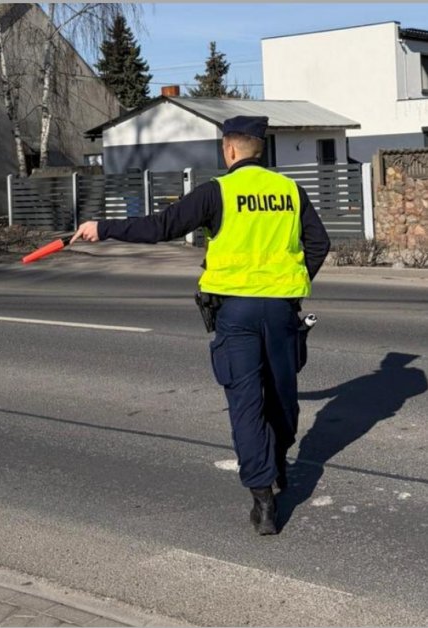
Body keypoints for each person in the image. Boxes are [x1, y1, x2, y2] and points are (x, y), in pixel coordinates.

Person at [70, 115, 331, 535]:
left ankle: (264, 500)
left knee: (246, 404)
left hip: (236, 313)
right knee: (282, 397)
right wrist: (294, 284)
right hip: (282, 310)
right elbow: (319, 242)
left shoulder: (218, 191)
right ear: (260, 149)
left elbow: (162, 226)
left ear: (229, 149)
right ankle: (278, 465)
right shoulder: (290, 190)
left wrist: (104, 227)